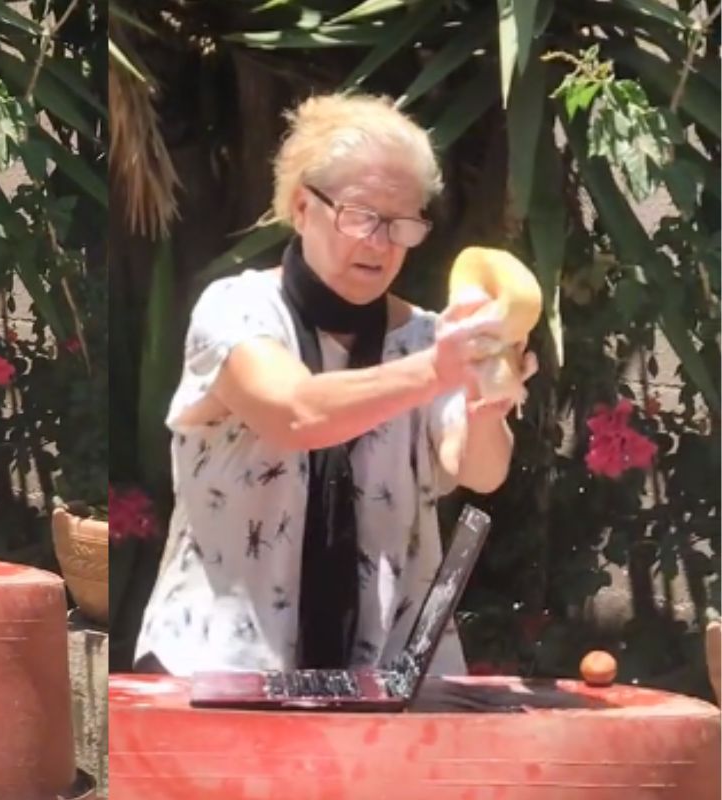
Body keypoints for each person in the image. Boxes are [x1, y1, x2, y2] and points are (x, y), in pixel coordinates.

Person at [133, 93, 537, 677]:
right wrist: (435, 371)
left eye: (402, 224)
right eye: (361, 216)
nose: (380, 243)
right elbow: (296, 414)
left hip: (388, 676)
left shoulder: (427, 336)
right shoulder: (235, 308)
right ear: (302, 207)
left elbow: (479, 470)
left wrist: (485, 403)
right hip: (221, 668)